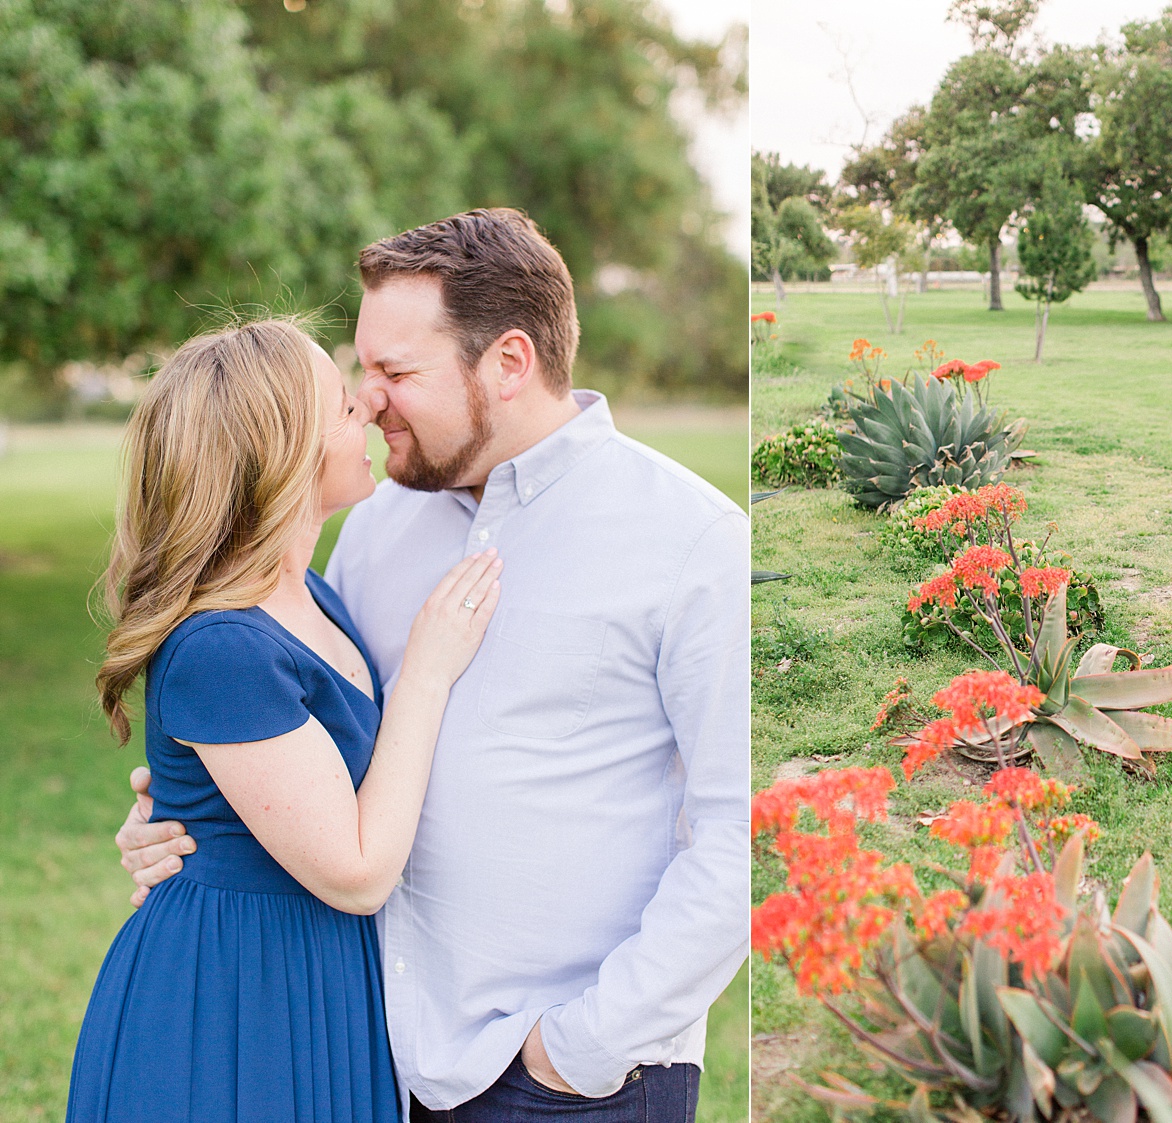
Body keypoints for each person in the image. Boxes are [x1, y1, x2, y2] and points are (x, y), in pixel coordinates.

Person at [113, 209, 750, 1121]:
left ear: (510, 363)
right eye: (361, 371)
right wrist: (183, 818)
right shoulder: (373, 525)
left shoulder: (690, 539)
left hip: (569, 1080)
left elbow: (737, 835)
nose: (368, 400)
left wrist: (582, 1047)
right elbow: (284, 716)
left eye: (395, 372)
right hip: (367, 1053)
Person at [71, 318, 503, 1122]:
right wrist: (427, 669)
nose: (370, 410)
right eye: (343, 406)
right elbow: (359, 870)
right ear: (282, 453)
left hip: (317, 976)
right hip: (234, 999)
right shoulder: (222, 643)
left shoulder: (314, 595)